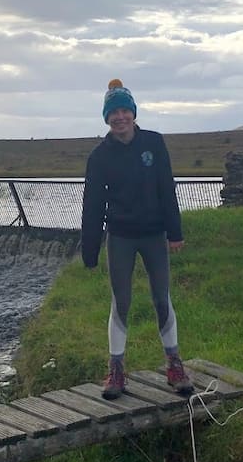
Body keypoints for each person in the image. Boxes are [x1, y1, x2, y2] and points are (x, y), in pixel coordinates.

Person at [81, 78, 193, 399]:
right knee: (122, 302)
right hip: (121, 237)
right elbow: (92, 206)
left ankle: (174, 364)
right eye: (112, 112)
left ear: (133, 113)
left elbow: (166, 189)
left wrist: (175, 232)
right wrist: (90, 250)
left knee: (161, 298)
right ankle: (116, 370)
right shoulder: (99, 157)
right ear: (106, 118)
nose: (119, 117)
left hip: (154, 234)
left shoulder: (154, 144)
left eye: (123, 110)